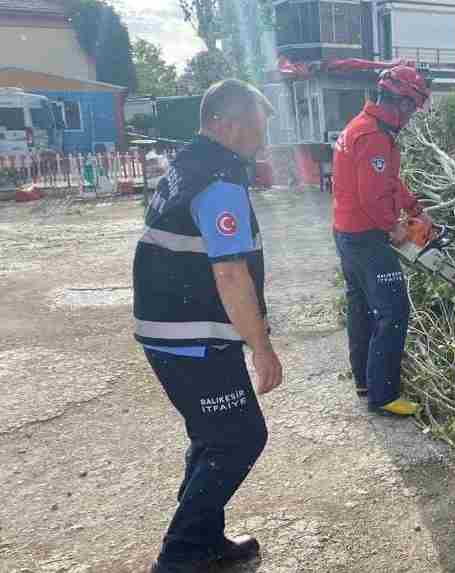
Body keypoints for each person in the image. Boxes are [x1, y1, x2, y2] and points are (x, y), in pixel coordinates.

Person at [133, 79, 282, 573]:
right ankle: (179, 558)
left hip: (173, 328)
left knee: (211, 437)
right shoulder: (218, 177)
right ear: (228, 123)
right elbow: (230, 271)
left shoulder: (188, 162)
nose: (262, 139)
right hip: (189, 334)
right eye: (258, 128)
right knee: (239, 438)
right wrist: (261, 347)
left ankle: (205, 541)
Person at [332, 66, 431, 416]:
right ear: (401, 101)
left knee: (360, 308)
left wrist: (414, 207)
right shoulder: (372, 135)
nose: (411, 115)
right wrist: (395, 228)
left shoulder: (367, 127)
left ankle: (364, 380)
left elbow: (388, 181)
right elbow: (372, 198)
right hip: (366, 237)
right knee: (393, 311)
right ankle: (385, 395)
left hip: (347, 233)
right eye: (412, 107)